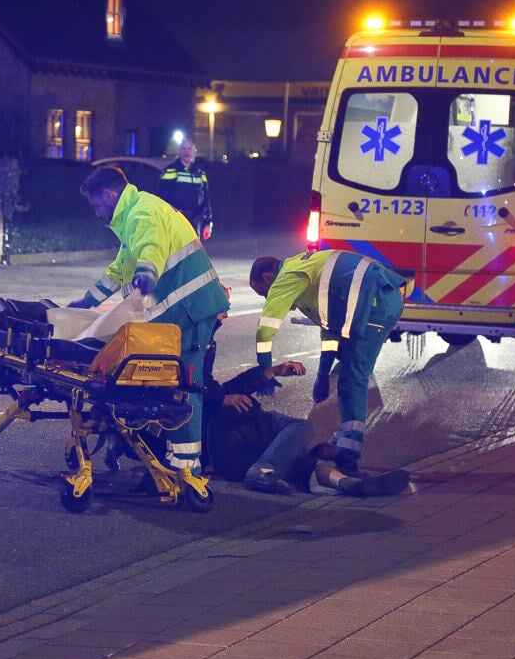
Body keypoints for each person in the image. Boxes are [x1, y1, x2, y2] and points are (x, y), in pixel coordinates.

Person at [67, 165, 229, 475]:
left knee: (183, 389)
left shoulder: (142, 214)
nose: (95, 211)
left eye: (96, 203)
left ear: (108, 194)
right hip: (181, 315)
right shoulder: (133, 217)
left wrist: (147, 272)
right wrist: (88, 300)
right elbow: (120, 268)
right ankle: (167, 461)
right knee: (169, 387)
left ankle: (186, 472)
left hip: (190, 313)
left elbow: (150, 249)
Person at [249, 250, 407, 488]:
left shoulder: (287, 277)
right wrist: (322, 373)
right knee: (349, 379)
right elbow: (330, 328)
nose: (266, 298)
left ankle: (348, 459)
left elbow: (265, 329)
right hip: (377, 297)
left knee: (353, 380)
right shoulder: (305, 281)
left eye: (264, 292)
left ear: (268, 275)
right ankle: (344, 453)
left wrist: (265, 372)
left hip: (375, 301)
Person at [158, 138, 213, 240]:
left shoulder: (200, 172)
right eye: (183, 149)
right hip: (176, 219)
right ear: (179, 151)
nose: (186, 152)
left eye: (189, 149)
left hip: (196, 220)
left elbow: (206, 199)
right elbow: (162, 197)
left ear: (194, 151)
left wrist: (208, 222)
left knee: (193, 253)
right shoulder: (171, 170)